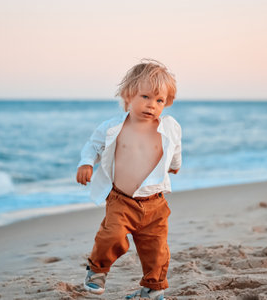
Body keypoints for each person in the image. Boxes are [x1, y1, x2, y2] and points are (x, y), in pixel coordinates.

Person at [76, 59, 182, 300]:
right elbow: (93, 145)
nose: (152, 105)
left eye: (159, 100)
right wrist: (85, 163)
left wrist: (175, 166)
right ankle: (97, 270)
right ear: (128, 95)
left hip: (155, 202)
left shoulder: (169, 127)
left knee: (156, 251)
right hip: (121, 199)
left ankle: (152, 289)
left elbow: (175, 149)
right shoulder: (114, 126)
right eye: (145, 97)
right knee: (111, 236)